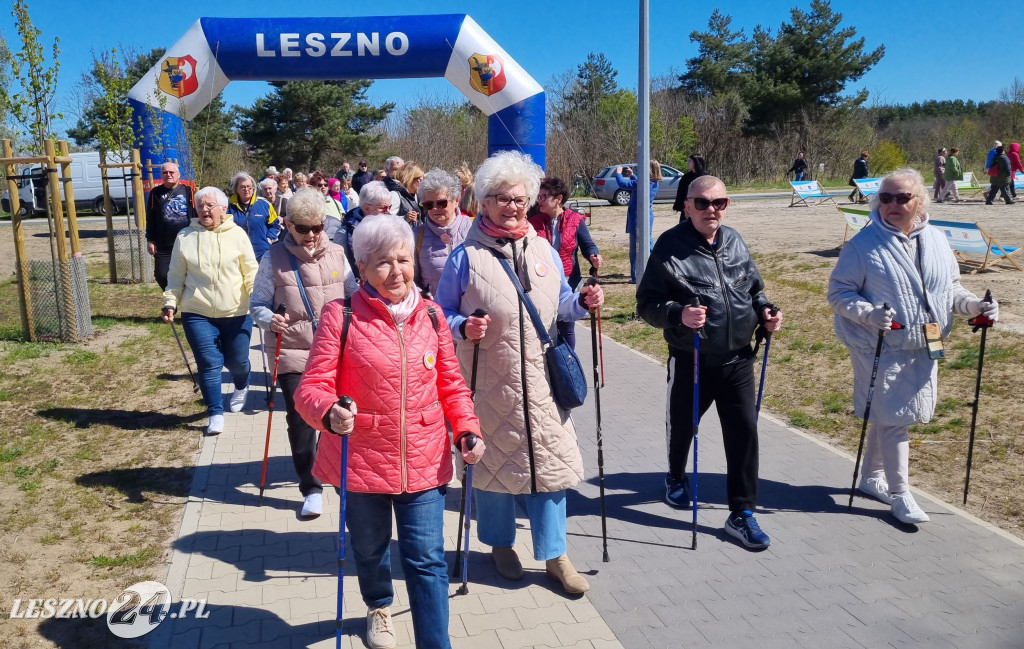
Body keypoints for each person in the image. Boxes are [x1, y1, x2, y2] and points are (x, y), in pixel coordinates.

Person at [294, 213, 483, 649]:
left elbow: (451, 384)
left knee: (427, 560)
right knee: (370, 550)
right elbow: (312, 387)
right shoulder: (339, 316)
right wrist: (328, 412)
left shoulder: (433, 316)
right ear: (361, 267)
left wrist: (466, 429)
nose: (396, 271)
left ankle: (435, 644)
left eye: (403, 259)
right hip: (360, 458)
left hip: (423, 455)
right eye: (383, 262)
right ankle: (378, 605)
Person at [434, 150, 605, 595]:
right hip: (489, 383)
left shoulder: (545, 248)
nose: (512, 206)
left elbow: (562, 303)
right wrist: (462, 326)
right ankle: (499, 545)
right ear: (484, 202)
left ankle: (555, 554)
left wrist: (582, 304)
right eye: (501, 198)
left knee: (551, 469)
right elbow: (440, 313)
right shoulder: (465, 257)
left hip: (543, 383)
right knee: (492, 469)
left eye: (519, 198)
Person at [827, 168, 999, 524]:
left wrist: (975, 307)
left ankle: (872, 478)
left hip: (927, 341)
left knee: (890, 417)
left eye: (902, 197)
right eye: (885, 198)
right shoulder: (863, 245)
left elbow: (950, 288)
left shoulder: (935, 240)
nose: (892, 204)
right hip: (879, 343)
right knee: (894, 419)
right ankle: (901, 495)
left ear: (920, 200)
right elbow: (839, 293)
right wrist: (869, 313)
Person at [636, 175, 783, 550]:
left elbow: (754, 288)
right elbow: (647, 303)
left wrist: (765, 311)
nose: (711, 210)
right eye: (701, 203)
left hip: (738, 360)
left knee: (745, 435)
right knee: (683, 427)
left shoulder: (734, 241)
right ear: (686, 206)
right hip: (693, 359)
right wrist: (677, 314)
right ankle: (674, 476)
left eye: (719, 202)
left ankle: (742, 513)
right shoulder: (669, 247)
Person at [249, 188, 357, 518]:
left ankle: (345, 476)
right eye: (302, 227)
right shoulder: (274, 257)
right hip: (293, 351)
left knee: (343, 414)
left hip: (337, 350)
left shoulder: (338, 254)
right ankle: (310, 487)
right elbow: (256, 305)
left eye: (317, 227)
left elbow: (355, 297)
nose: (310, 235)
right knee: (301, 419)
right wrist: (271, 319)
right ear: (288, 225)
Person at [162, 187, 258, 435]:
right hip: (197, 311)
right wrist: (170, 302)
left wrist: (259, 299)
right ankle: (215, 413)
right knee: (209, 363)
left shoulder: (237, 235)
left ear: (223, 209)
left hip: (236, 310)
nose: (204, 209)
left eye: (210, 205)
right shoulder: (185, 236)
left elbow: (251, 271)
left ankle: (241, 384)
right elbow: (175, 276)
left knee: (237, 361)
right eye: (200, 205)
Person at [529, 176, 601, 349]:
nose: (540, 201)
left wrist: (594, 256)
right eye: (538, 197)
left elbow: (588, 244)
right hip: (542, 281)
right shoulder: (535, 221)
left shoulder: (575, 220)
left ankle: (568, 364)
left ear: (559, 199)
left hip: (568, 280)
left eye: (544, 196)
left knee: (567, 327)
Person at [413, 168, 471, 295]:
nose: (434, 209)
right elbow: (412, 282)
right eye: (428, 204)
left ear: (456, 201)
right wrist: (424, 297)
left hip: (470, 312)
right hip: (436, 310)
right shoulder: (416, 236)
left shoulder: (473, 229)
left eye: (441, 203)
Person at [145, 161, 195, 290]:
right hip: (163, 244)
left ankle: (184, 300)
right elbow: (150, 218)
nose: (168, 175)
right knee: (161, 275)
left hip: (187, 242)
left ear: (178, 174)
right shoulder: (155, 193)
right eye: (165, 172)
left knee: (190, 274)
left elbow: (196, 214)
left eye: (171, 172)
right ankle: (173, 298)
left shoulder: (189, 192)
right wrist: (150, 239)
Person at [334, 181, 395, 277]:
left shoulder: (393, 226)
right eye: (383, 208)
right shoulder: (344, 233)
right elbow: (338, 269)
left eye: (389, 207)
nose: (388, 211)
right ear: (367, 208)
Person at [616, 160, 662, 283]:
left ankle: (636, 276)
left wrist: (619, 173)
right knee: (648, 243)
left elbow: (623, 185)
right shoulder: (654, 182)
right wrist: (631, 175)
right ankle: (658, 267)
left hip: (638, 218)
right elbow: (637, 183)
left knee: (635, 249)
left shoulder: (643, 182)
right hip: (647, 216)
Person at [228, 172, 281, 262]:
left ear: (253, 188)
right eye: (242, 187)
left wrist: (269, 239)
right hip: (238, 255)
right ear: (236, 189)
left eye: (249, 186)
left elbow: (276, 225)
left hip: (262, 255)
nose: (246, 189)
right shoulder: (229, 207)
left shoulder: (264, 204)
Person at [672, 154, 708, 222]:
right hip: (688, 207)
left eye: (690, 161)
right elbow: (681, 193)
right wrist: (680, 206)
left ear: (696, 162)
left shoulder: (705, 176)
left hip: (701, 207)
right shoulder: (686, 177)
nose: (688, 163)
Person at [309, 171, 345, 238]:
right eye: (320, 185)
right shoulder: (309, 204)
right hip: (317, 238)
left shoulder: (337, 203)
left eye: (325, 185)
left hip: (335, 238)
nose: (323, 187)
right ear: (313, 186)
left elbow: (343, 220)